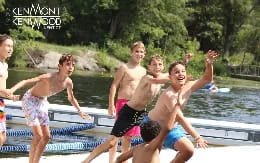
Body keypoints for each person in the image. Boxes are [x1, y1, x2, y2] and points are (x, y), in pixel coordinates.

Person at [82, 54, 170, 163]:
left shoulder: (161, 76)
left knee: (154, 136)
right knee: (111, 142)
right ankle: (86, 161)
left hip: (141, 113)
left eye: (160, 64)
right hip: (129, 112)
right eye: (154, 65)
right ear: (149, 67)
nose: (157, 67)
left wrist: (184, 63)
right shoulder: (148, 78)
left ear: (163, 66)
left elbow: (172, 72)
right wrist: (172, 77)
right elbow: (158, 81)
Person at [10, 54, 91, 163]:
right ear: (60, 66)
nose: (71, 67)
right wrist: (12, 90)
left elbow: (71, 98)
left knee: (47, 136)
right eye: (67, 64)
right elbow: (26, 81)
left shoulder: (68, 82)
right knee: (38, 135)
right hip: (30, 100)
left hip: (42, 102)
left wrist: (80, 111)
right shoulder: (49, 77)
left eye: (73, 65)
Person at [147, 50, 218, 163]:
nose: (180, 74)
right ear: (170, 77)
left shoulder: (189, 86)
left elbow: (207, 79)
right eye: (176, 72)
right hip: (153, 126)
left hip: (171, 127)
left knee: (188, 150)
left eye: (183, 71)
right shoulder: (169, 95)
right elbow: (180, 118)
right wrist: (197, 137)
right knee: (154, 157)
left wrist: (209, 64)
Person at [108, 41, 147, 163]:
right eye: (136, 51)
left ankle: (123, 161)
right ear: (131, 52)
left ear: (144, 54)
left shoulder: (144, 71)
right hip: (123, 103)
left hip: (136, 105)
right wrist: (110, 104)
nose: (139, 54)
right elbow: (114, 86)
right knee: (116, 136)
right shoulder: (124, 68)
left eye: (141, 52)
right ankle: (111, 161)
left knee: (128, 137)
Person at [115, 104, 179, 163]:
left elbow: (119, 159)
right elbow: (167, 128)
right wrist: (176, 107)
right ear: (157, 137)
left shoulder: (136, 148)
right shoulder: (152, 148)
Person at [0, 34, 20, 147]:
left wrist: (10, 95)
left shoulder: (5, 65)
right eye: (7, 45)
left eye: (11, 46)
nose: (10, 49)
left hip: (1, 102)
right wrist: (7, 91)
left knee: (3, 136)